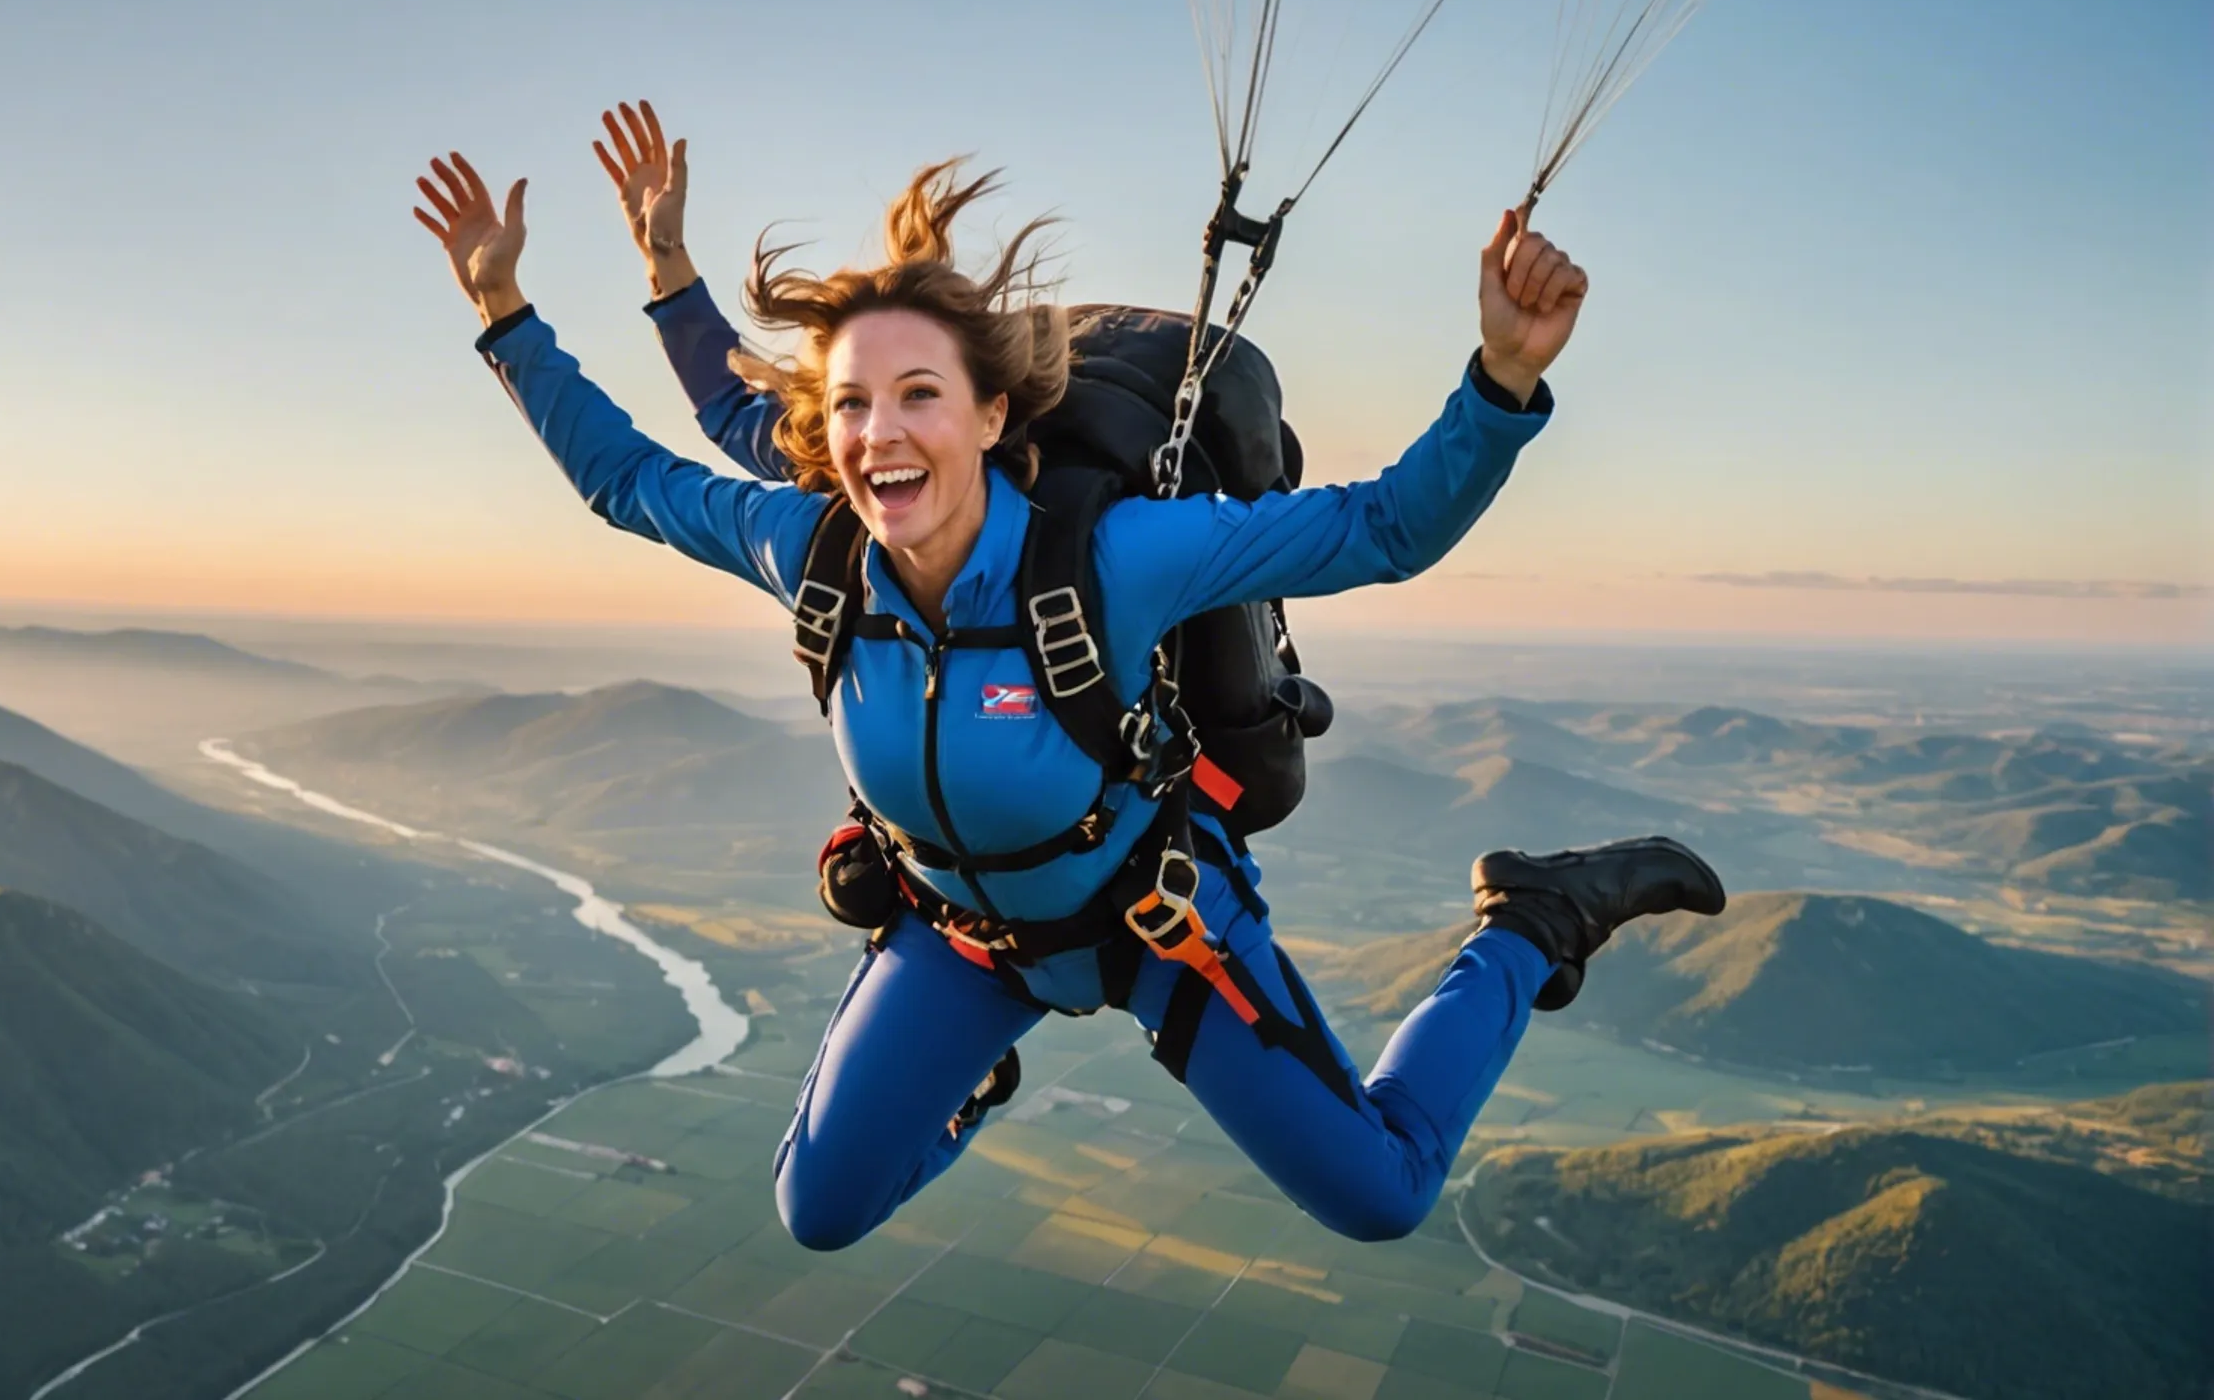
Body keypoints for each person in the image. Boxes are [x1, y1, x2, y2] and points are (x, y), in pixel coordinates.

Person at [408, 109, 1724, 1250]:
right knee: (817, 1205)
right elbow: (636, 478)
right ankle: (968, 1089)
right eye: (854, 405)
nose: (877, 434)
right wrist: (509, 311)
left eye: (920, 394)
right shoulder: (809, 546)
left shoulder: (1111, 560)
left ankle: (1531, 921)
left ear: (989, 413)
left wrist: (1501, 377)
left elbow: (1379, 529)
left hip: (1151, 920)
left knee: (1381, 1191)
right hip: (959, 936)